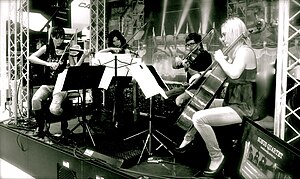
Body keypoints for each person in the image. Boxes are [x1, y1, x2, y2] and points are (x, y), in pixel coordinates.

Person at [191, 17, 258, 177]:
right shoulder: (236, 52)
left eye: (224, 35)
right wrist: (200, 74)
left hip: (243, 106)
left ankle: (216, 156)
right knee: (202, 103)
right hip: (232, 101)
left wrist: (221, 58)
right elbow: (221, 71)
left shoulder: (245, 52)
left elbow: (234, 73)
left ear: (235, 33)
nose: (222, 39)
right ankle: (190, 138)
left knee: (199, 118)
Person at [28, 26, 88, 138]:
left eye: (61, 38)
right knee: (35, 100)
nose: (59, 41)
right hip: (47, 84)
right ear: (52, 37)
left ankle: (64, 123)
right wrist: (48, 64)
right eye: (57, 38)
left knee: (55, 110)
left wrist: (83, 56)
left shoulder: (67, 50)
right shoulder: (47, 48)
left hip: (61, 85)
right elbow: (31, 57)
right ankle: (42, 126)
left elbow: (74, 68)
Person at [165, 32, 212, 152]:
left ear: (199, 43)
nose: (190, 48)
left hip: (198, 87)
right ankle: (169, 127)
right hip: (188, 86)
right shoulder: (190, 56)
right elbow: (174, 67)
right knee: (165, 95)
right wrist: (175, 59)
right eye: (187, 45)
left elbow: (199, 76)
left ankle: (180, 129)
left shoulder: (205, 56)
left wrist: (187, 67)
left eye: (192, 44)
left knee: (179, 100)